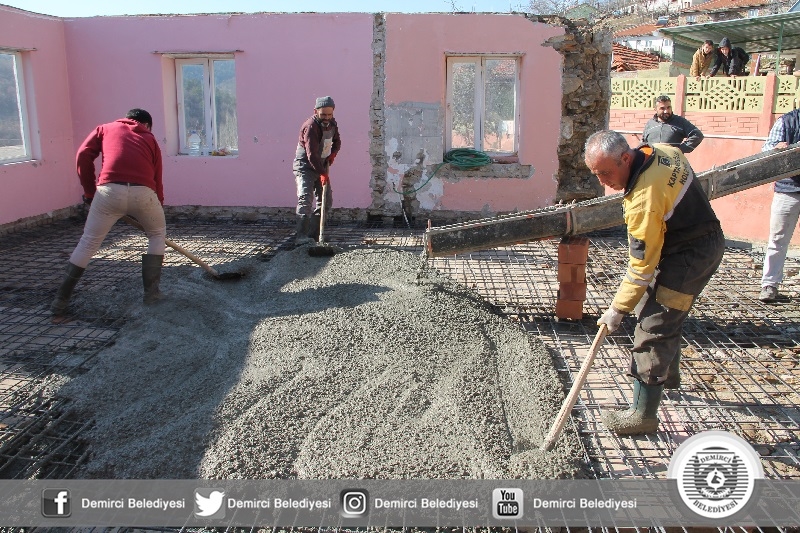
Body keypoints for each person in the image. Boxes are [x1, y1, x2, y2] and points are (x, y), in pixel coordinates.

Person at [584, 130, 724, 435]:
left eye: (606, 173)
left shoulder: (643, 201)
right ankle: (667, 377)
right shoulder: (661, 151)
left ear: (625, 158)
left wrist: (617, 309)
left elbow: (641, 267)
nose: (603, 182)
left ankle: (642, 416)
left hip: (691, 256)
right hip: (693, 241)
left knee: (654, 325)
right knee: (660, 311)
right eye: (596, 174)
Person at [51, 108, 166, 315]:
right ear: (146, 125)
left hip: (108, 192)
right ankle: (152, 295)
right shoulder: (150, 138)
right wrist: (157, 207)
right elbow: (158, 176)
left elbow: (83, 156)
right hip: (145, 193)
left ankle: (60, 302)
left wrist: (89, 192)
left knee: (88, 242)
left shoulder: (104, 129)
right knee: (157, 234)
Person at [759, 109, 800, 302]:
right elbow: (766, 149)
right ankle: (769, 285)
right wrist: (777, 148)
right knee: (777, 239)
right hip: (788, 188)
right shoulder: (787, 121)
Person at [293, 96, 341, 245]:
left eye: (329, 114)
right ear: (315, 111)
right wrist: (323, 173)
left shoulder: (332, 124)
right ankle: (301, 237)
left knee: (326, 201)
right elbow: (311, 155)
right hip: (305, 167)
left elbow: (337, 142)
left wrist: (333, 154)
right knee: (305, 200)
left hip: (320, 166)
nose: (326, 118)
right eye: (323, 114)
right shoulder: (311, 127)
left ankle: (314, 236)